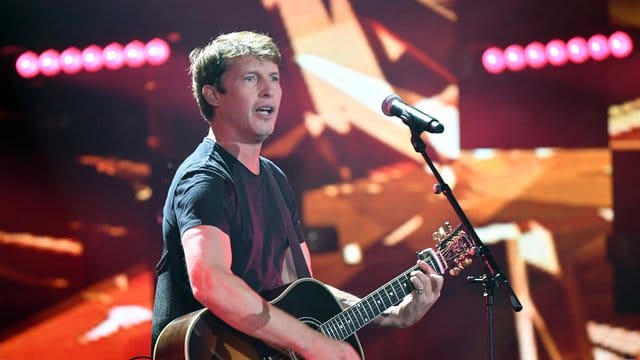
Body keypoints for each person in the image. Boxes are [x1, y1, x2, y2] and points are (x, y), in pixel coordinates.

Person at [150, 30, 444, 360]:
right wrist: (311, 343)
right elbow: (211, 281)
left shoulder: (274, 179)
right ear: (213, 94)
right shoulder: (206, 178)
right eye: (251, 78)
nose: (269, 89)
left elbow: (300, 291)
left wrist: (390, 313)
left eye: (274, 78)